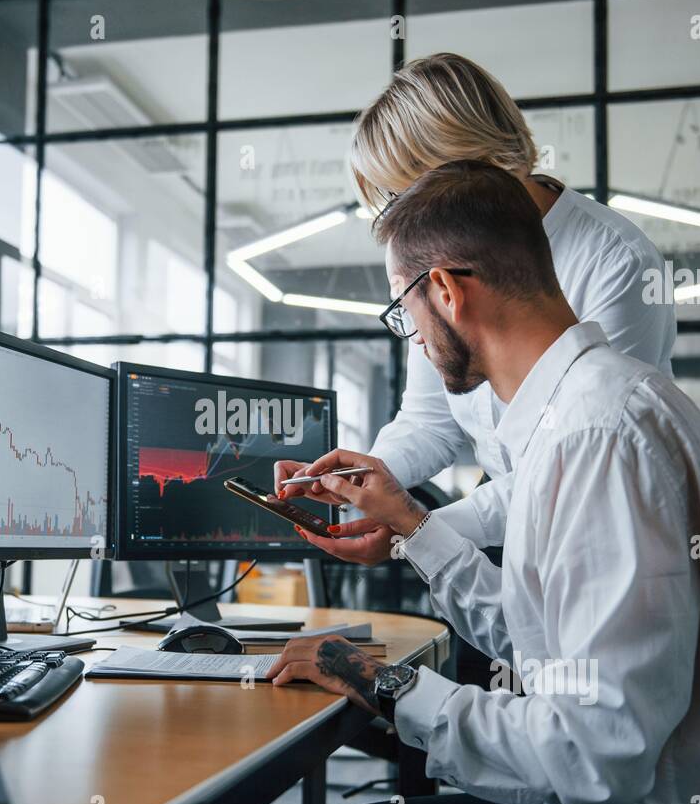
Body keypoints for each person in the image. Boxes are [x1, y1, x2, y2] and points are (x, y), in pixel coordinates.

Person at [266, 159, 700, 804]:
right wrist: (410, 525)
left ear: (445, 291)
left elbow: (592, 756)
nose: (416, 340)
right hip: (663, 802)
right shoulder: (590, 408)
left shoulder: (593, 439)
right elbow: (549, 642)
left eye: (403, 313)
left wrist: (385, 684)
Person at [275, 53, 675, 567]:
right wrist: (358, 481)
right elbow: (429, 421)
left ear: (460, 162)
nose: (401, 216)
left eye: (404, 190)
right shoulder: (442, 261)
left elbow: (581, 460)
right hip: (508, 513)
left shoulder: (616, 260)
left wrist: (414, 530)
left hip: (605, 525)